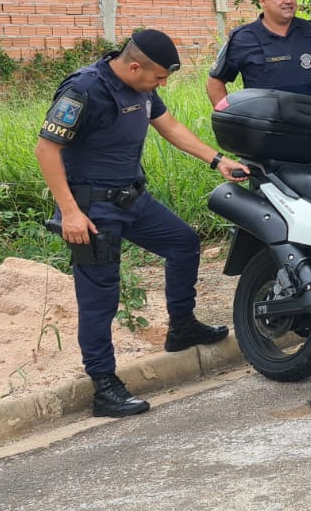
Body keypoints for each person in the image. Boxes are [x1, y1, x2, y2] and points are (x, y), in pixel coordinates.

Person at [34, 28, 250, 418]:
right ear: (134, 66)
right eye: (158, 78)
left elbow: (170, 127)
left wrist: (218, 161)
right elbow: (46, 149)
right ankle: (104, 386)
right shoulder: (83, 90)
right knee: (100, 297)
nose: (161, 85)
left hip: (131, 199)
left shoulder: (143, 87)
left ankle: (181, 326)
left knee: (183, 242)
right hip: (91, 209)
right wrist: (69, 212)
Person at [206, 0, 311, 172]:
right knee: (269, 201)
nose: (288, 1)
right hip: (264, 143)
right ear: (263, 1)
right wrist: (234, 124)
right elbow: (215, 81)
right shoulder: (243, 37)